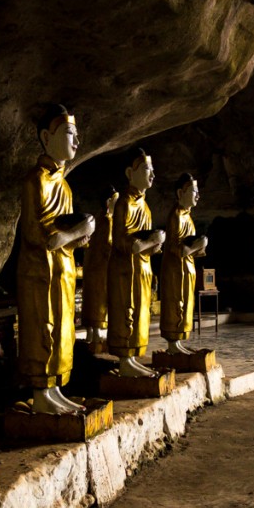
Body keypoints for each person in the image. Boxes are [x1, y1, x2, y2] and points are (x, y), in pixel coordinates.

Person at [16, 104, 95, 415]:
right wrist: (68, 234)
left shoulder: (64, 184)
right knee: (42, 328)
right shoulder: (35, 180)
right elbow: (35, 234)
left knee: (63, 329)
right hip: (38, 271)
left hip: (62, 268)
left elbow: (64, 234)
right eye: (69, 133)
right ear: (47, 138)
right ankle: (41, 392)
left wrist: (79, 235)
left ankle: (56, 388)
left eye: (76, 134)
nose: (76, 141)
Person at [108, 150, 165, 377]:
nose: (152, 174)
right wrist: (144, 242)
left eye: (152, 169)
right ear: (130, 174)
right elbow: (121, 240)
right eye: (146, 169)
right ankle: (125, 359)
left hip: (142, 267)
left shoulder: (145, 206)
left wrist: (154, 244)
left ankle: (133, 356)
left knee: (141, 313)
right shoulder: (124, 203)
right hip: (125, 269)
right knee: (126, 312)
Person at [160, 174, 208, 354]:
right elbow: (173, 246)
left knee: (186, 304)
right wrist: (193, 246)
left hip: (188, 268)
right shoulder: (176, 216)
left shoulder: (188, 217)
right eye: (194, 191)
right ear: (181, 193)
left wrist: (199, 246)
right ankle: (172, 343)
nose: (198, 196)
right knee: (176, 303)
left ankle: (178, 341)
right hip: (175, 270)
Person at [82, 185, 119, 345]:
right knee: (100, 299)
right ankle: (97, 334)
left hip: (91, 265)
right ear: (108, 201)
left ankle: (91, 332)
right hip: (102, 266)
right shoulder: (107, 220)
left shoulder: (96, 217)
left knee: (91, 297)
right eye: (116, 202)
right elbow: (107, 244)